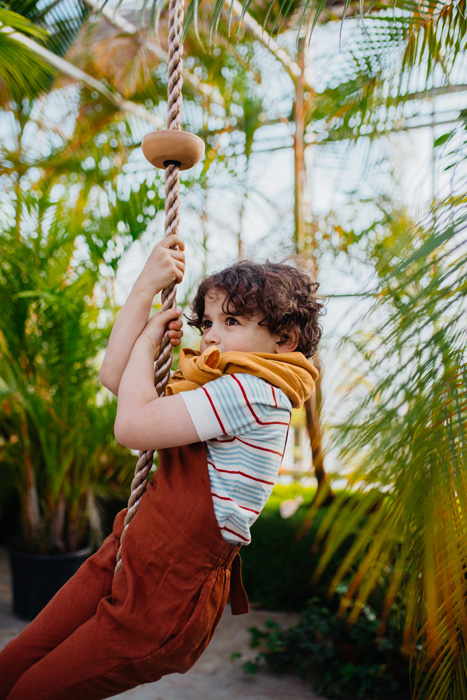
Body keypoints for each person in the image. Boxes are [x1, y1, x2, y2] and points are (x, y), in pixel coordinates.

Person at [0, 235, 323, 700]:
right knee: (13, 665)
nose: (210, 334)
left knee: (33, 690)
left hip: (165, 596)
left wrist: (151, 340)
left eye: (231, 320)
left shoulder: (255, 393)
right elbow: (117, 376)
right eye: (208, 321)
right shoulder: (217, 385)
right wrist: (145, 289)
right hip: (125, 552)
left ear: (284, 339)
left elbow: (132, 425)